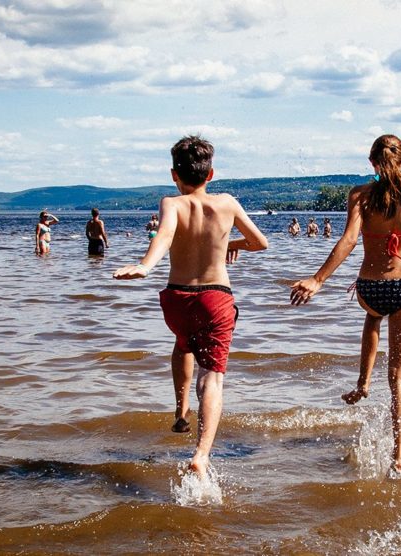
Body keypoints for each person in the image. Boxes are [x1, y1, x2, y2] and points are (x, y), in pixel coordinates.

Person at [113, 135, 268, 477]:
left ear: (174, 175)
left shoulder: (171, 203)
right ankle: (201, 454)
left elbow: (165, 235)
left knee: (184, 342)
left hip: (177, 299)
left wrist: (146, 265)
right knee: (211, 377)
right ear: (210, 174)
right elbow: (261, 242)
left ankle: (181, 411)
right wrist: (231, 242)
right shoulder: (227, 202)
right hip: (215, 298)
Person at [290, 134, 401, 474]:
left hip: (371, 286)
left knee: (372, 318)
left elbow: (349, 239)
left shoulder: (360, 195)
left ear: (371, 163)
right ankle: (399, 458)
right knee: (400, 378)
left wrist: (318, 279)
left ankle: (363, 383)